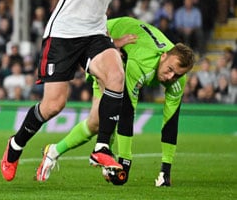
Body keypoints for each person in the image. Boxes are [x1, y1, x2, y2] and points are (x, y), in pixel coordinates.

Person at [1, 0, 138, 181]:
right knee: (53, 105)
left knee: (116, 74)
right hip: (63, 33)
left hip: (94, 33)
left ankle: (101, 147)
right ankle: (15, 145)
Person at [36, 17, 194, 187]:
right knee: (111, 110)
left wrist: (166, 171)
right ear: (163, 57)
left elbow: (170, 123)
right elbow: (127, 111)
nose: (171, 77)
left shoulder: (177, 79)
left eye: (177, 74)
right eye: (170, 70)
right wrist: (125, 162)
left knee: (95, 123)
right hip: (101, 40)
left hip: (124, 52)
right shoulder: (141, 64)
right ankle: (105, 156)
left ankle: (53, 151)